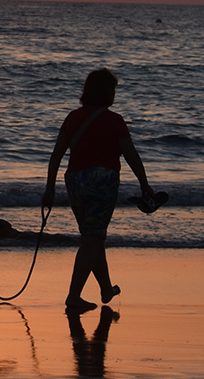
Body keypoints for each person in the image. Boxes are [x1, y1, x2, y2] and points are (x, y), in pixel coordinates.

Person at [42, 67, 155, 313]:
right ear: (107, 92)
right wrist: (144, 184)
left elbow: (56, 156)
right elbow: (131, 155)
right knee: (93, 237)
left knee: (92, 235)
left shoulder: (72, 117)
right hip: (102, 182)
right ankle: (73, 296)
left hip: (75, 182)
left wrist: (50, 188)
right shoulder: (114, 121)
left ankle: (105, 288)